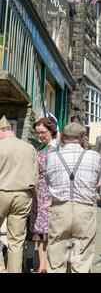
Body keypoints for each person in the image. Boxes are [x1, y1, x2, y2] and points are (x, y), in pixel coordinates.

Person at [45, 122, 101, 273]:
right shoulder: (94, 156)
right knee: (80, 256)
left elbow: (49, 181)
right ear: (82, 138)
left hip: (60, 209)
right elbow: (97, 182)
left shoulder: (52, 157)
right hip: (84, 210)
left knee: (56, 254)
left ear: (62, 138)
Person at [0, 116, 39, 273]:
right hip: (23, 195)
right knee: (16, 240)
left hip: (1, 192)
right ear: (11, 131)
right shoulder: (29, 148)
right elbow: (35, 175)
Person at [29, 118, 59, 273]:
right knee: (40, 232)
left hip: (50, 193)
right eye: (37, 133)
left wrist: (55, 199)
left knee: (49, 231)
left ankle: (50, 265)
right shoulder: (41, 147)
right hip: (38, 195)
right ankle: (42, 267)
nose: (40, 135)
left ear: (52, 131)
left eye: (43, 132)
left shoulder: (57, 149)